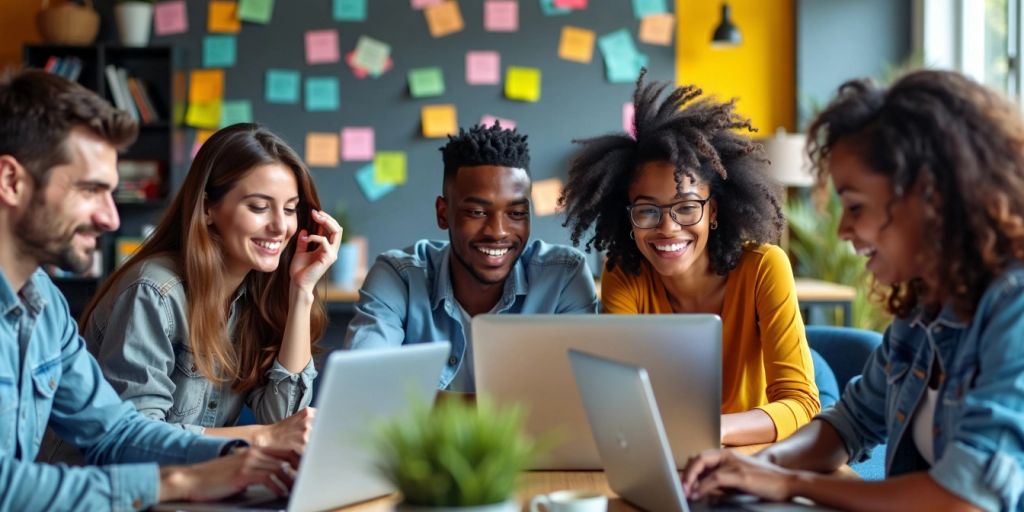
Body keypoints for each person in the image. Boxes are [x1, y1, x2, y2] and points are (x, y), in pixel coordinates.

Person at [682, 69, 1024, 510]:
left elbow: (963, 501)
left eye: (856, 206)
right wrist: (759, 469)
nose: (843, 229)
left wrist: (789, 484)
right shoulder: (924, 307)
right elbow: (850, 423)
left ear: (931, 198)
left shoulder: (1013, 307)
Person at [0, 70, 299, 508]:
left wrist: (240, 457)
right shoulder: (154, 288)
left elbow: (115, 431)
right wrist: (180, 482)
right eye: (90, 190)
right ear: (10, 181)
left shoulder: (44, 306)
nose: (110, 219)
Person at [41, 123, 341, 464]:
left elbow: (282, 418)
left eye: (289, 209)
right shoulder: (153, 292)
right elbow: (137, 444)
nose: (280, 226)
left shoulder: (256, 291)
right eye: (259, 207)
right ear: (208, 209)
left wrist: (302, 290)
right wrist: (264, 436)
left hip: (191, 488)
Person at [559, 71, 819, 445]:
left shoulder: (764, 267)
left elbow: (801, 401)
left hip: (752, 454)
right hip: (671, 451)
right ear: (627, 214)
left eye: (686, 207)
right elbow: (621, 396)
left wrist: (710, 430)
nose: (667, 227)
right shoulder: (625, 274)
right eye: (647, 210)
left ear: (713, 211)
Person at [343, 123, 599, 392]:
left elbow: (579, 400)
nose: (498, 232)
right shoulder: (399, 276)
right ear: (443, 213)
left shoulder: (563, 278)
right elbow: (361, 388)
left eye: (516, 214)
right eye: (477, 212)